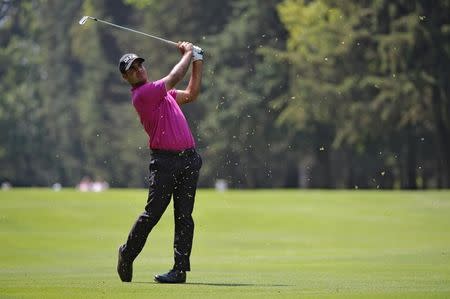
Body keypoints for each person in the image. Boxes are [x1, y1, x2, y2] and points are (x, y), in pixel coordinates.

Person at [116, 41, 203, 284]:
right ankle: (127, 253)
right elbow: (175, 76)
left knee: (184, 217)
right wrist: (187, 54)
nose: (138, 70)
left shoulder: (163, 95)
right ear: (126, 78)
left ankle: (180, 270)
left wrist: (197, 61)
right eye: (132, 69)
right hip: (164, 161)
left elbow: (192, 94)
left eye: (139, 65)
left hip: (188, 159)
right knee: (152, 214)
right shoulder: (143, 95)